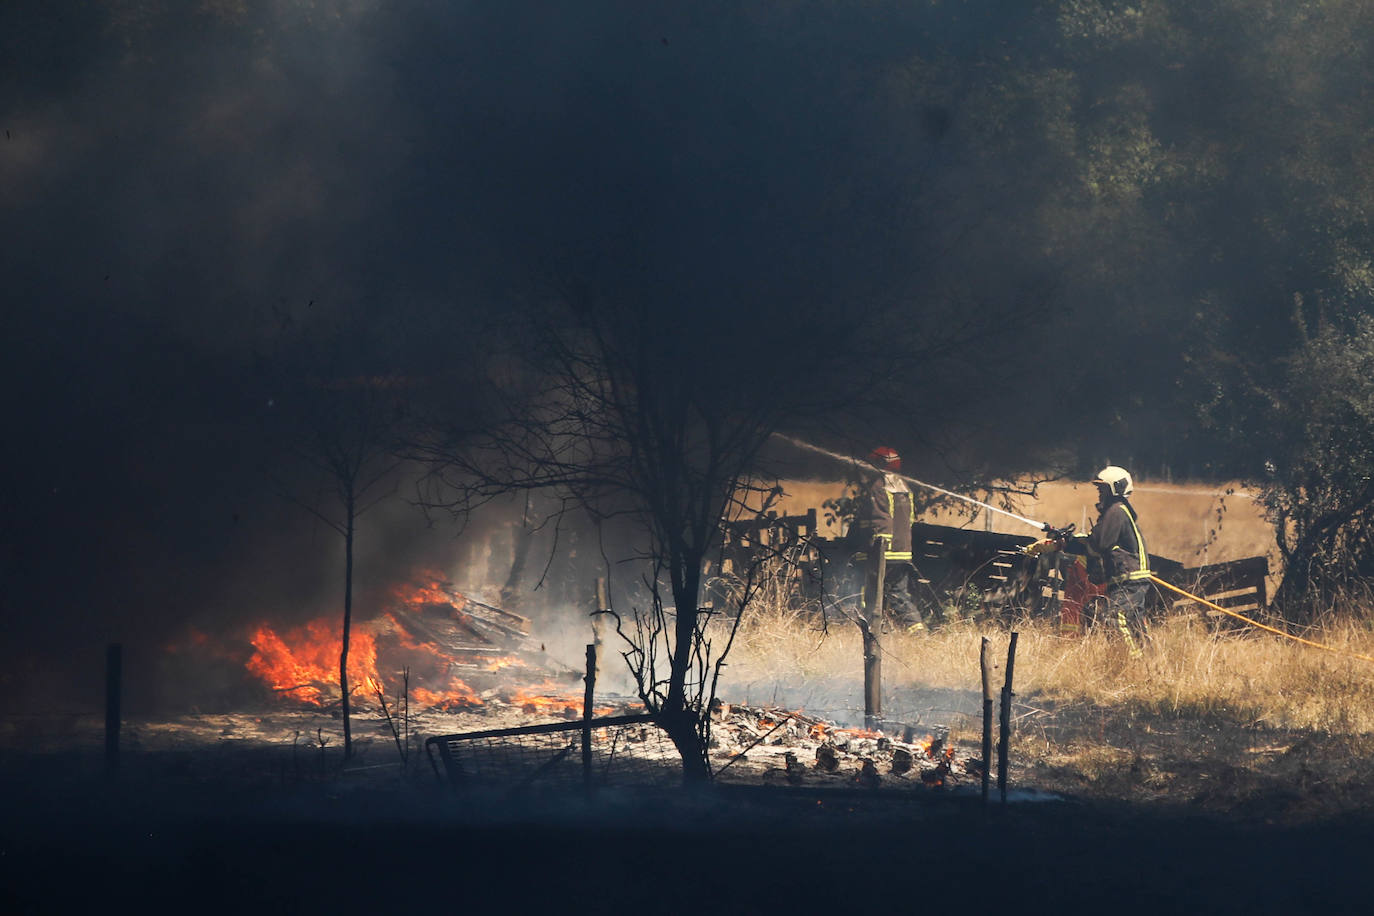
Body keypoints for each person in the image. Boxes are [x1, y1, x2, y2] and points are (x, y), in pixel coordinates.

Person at [1032, 465, 1152, 656]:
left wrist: (1069, 541)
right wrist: (1064, 542)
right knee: (1133, 622)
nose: (1099, 494)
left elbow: (1097, 545)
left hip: (1129, 577)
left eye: (1102, 489)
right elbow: (1094, 543)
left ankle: (1135, 662)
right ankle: (1148, 662)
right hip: (1126, 577)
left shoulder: (1116, 511)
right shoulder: (1115, 512)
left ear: (1116, 489)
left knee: (1115, 616)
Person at [850, 446, 927, 633]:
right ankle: (917, 631)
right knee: (898, 594)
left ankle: (871, 631)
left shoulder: (878, 487)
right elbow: (908, 521)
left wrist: (867, 549)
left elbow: (878, 522)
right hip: (902, 551)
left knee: (871, 593)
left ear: (879, 464)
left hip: (883, 552)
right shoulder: (903, 487)